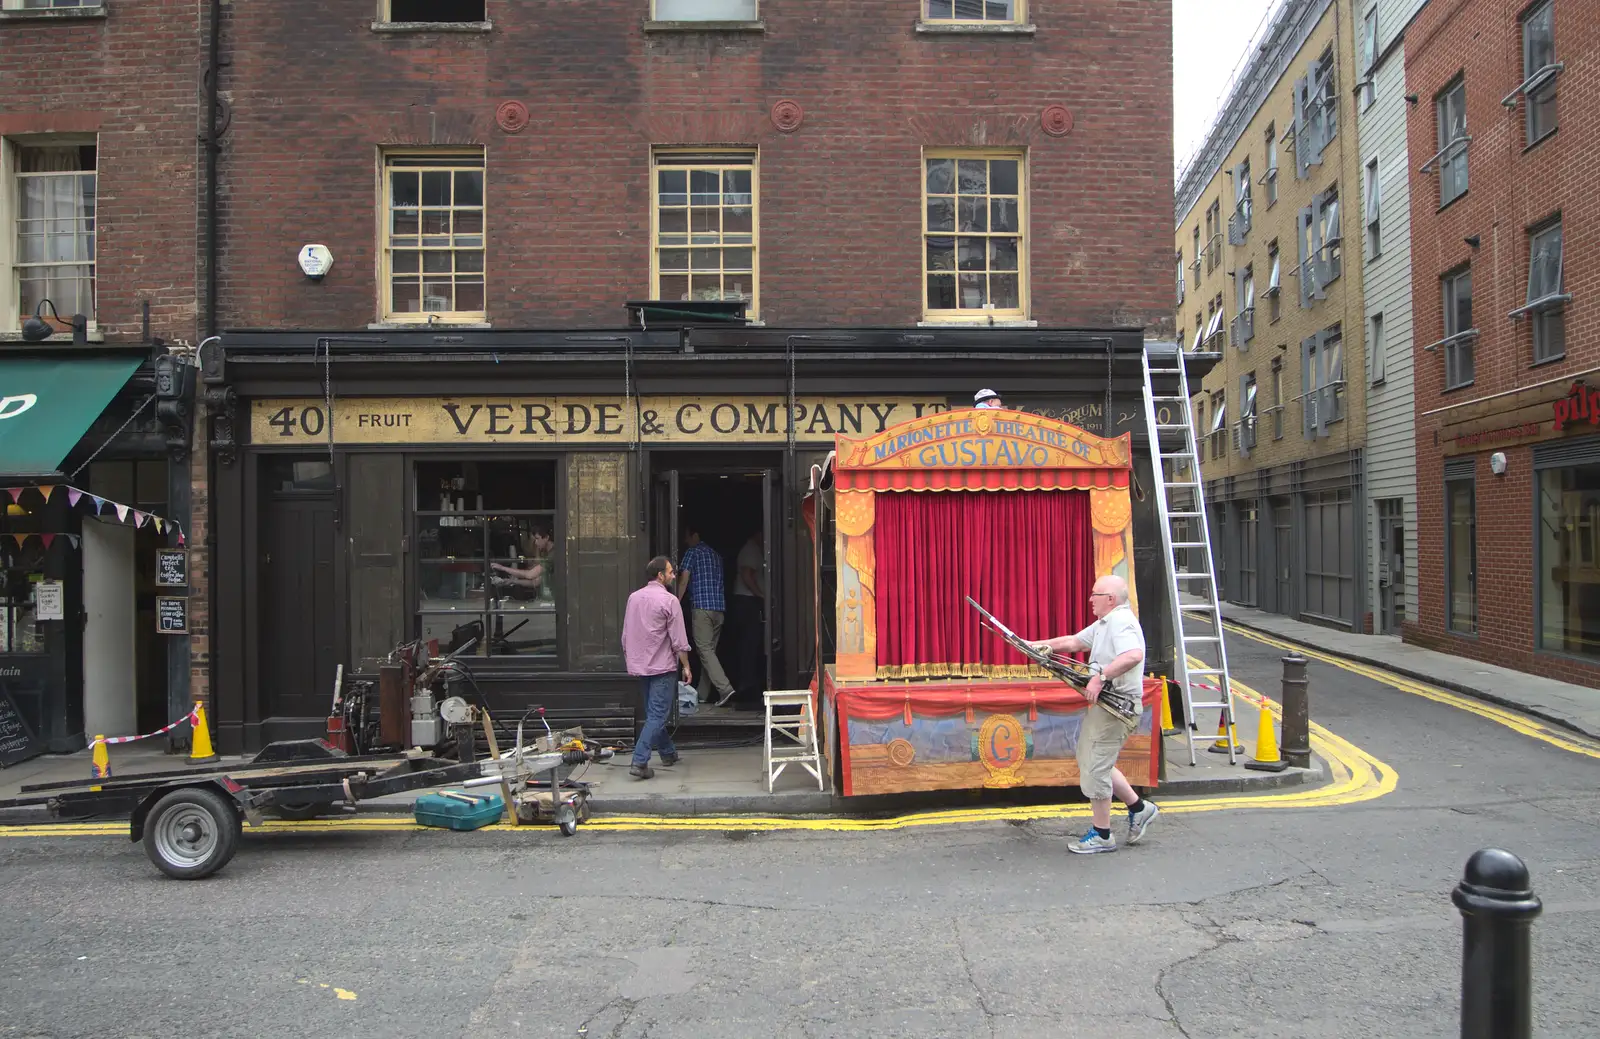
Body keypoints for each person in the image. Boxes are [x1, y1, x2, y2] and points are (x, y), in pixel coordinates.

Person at [1030, 575, 1160, 853]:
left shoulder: (1121, 622)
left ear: (1110, 599)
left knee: (1096, 766)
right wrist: (1037, 644)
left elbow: (1133, 655)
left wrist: (1100, 676)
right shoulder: (1106, 623)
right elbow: (1075, 642)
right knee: (1091, 758)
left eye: (1095, 595)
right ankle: (1139, 807)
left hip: (1117, 707)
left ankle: (1102, 836)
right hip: (1107, 706)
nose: (1090, 599)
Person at [621, 555, 692, 779]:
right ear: (660, 576)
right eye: (671, 572)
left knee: (654, 713)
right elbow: (679, 640)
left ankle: (668, 753)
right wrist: (687, 666)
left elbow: (626, 635)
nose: (674, 575)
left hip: (641, 665)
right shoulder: (670, 601)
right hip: (662, 666)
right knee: (658, 716)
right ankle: (639, 761)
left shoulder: (634, 598)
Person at [676, 523, 737, 707]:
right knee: (709, 653)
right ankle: (702, 695)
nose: (686, 542)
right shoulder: (716, 555)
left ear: (695, 535)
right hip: (719, 609)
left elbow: (684, 579)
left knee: (705, 651)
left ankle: (725, 689)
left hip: (702, 609)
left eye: (687, 537)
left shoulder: (692, 553)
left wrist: (675, 602)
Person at [731, 529, 767, 705]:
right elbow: (747, 574)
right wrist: (761, 595)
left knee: (750, 646)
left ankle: (749, 688)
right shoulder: (750, 549)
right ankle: (747, 691)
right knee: (749, 646)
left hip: (748, 602)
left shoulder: (754, 549)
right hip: (747, 602)